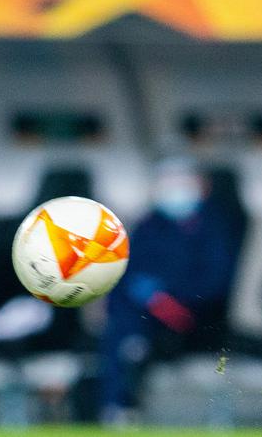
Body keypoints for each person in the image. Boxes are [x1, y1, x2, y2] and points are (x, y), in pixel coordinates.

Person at [99, 156, 237, 425]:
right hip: (147, 319)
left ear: (201, 185)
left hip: (197, 320)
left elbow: (216, 284)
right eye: (167, 183)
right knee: (122, 330)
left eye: (182, 182)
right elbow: (126, 277)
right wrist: (148, 298)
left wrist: (169, 295)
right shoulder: (149, 226)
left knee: (137, 333)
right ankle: (118, 409)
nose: (175, 190)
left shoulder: (216, 228)